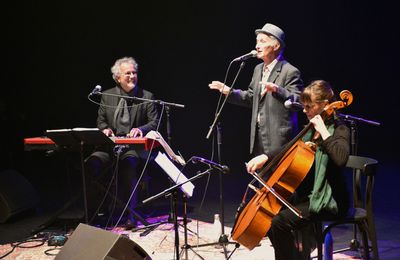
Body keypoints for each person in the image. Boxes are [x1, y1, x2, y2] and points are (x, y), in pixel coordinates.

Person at [246, 80, 350, 259]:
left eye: (309, 106)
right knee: (269, 216)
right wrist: (265, 157)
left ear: (324, 106)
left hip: (330, 200)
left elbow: (341, 159)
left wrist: (324, 131)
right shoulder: (309, 130)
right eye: (304, 106)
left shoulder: (339, 129)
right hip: (308, 195)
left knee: (280, 222)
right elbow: (289, 147)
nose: (304, 110)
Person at [209, 22, 303, 171]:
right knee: (262, 188)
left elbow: (299, 101)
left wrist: (278, 90)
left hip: (280, 142)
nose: (257, 46)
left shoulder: (289, 71)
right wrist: (229, 91)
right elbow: (251, 98)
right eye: (257, 41)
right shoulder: (258, 69)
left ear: (276, 46)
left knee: (281, 190)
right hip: (259, 140)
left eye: (262, 41)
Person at [86, 57, 159, 228]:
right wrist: (105, 129)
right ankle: (94, 214)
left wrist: (141, 129)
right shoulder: (106, 96)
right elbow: (101, 121)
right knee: (91, 164)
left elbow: (154, 122)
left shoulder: (147, 97)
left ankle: (131, 215)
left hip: (132, 147)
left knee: (129, 163)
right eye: (128, 73)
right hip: (108, 146)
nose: (132, 76)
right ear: (118, 77)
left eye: (134, 73)